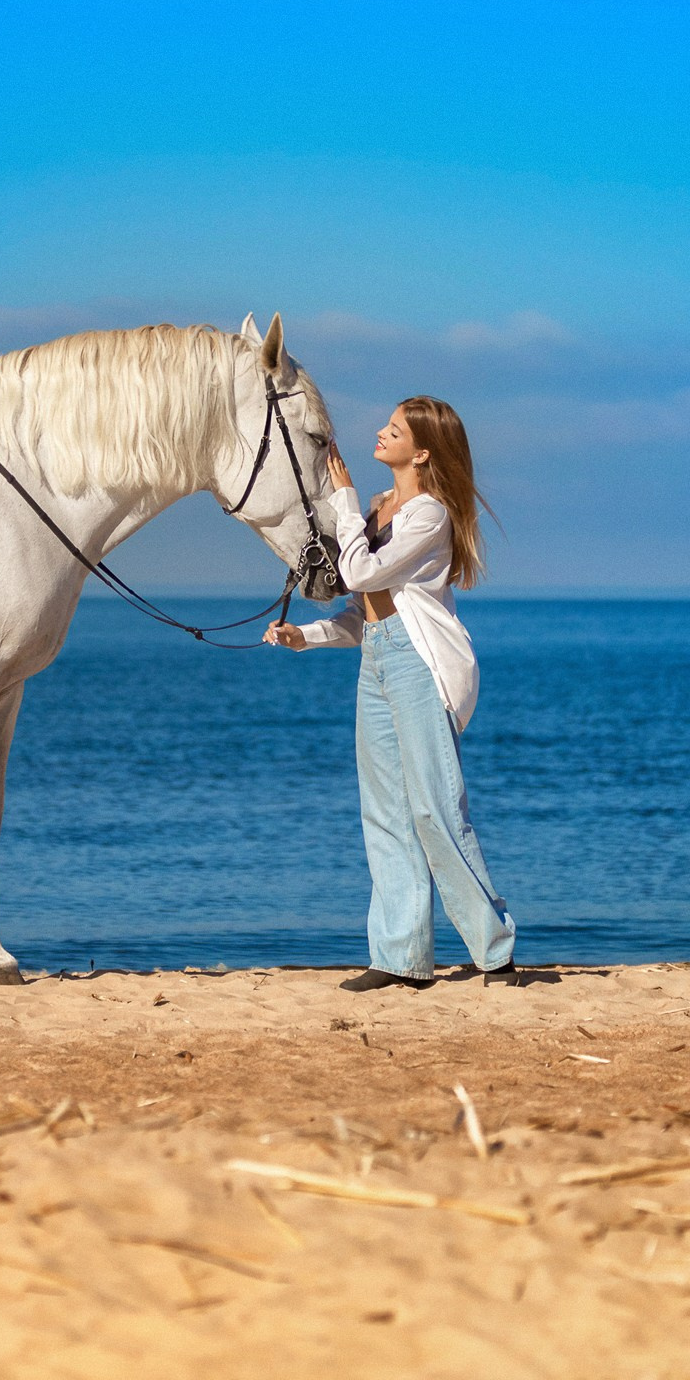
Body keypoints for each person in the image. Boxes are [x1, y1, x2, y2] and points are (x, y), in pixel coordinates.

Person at [265, 397, 517, 990]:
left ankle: (495, 951)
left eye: (395, 429)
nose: (379, 433)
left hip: (420, 664)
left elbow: (359, 573)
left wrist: (345, 504)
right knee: (385, 813)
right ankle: (400, 959)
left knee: (434, 807)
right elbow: (362, 612)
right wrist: (306, 635)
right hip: (378, 658)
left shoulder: (428, 516)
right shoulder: (382, 510)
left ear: (422, 451)